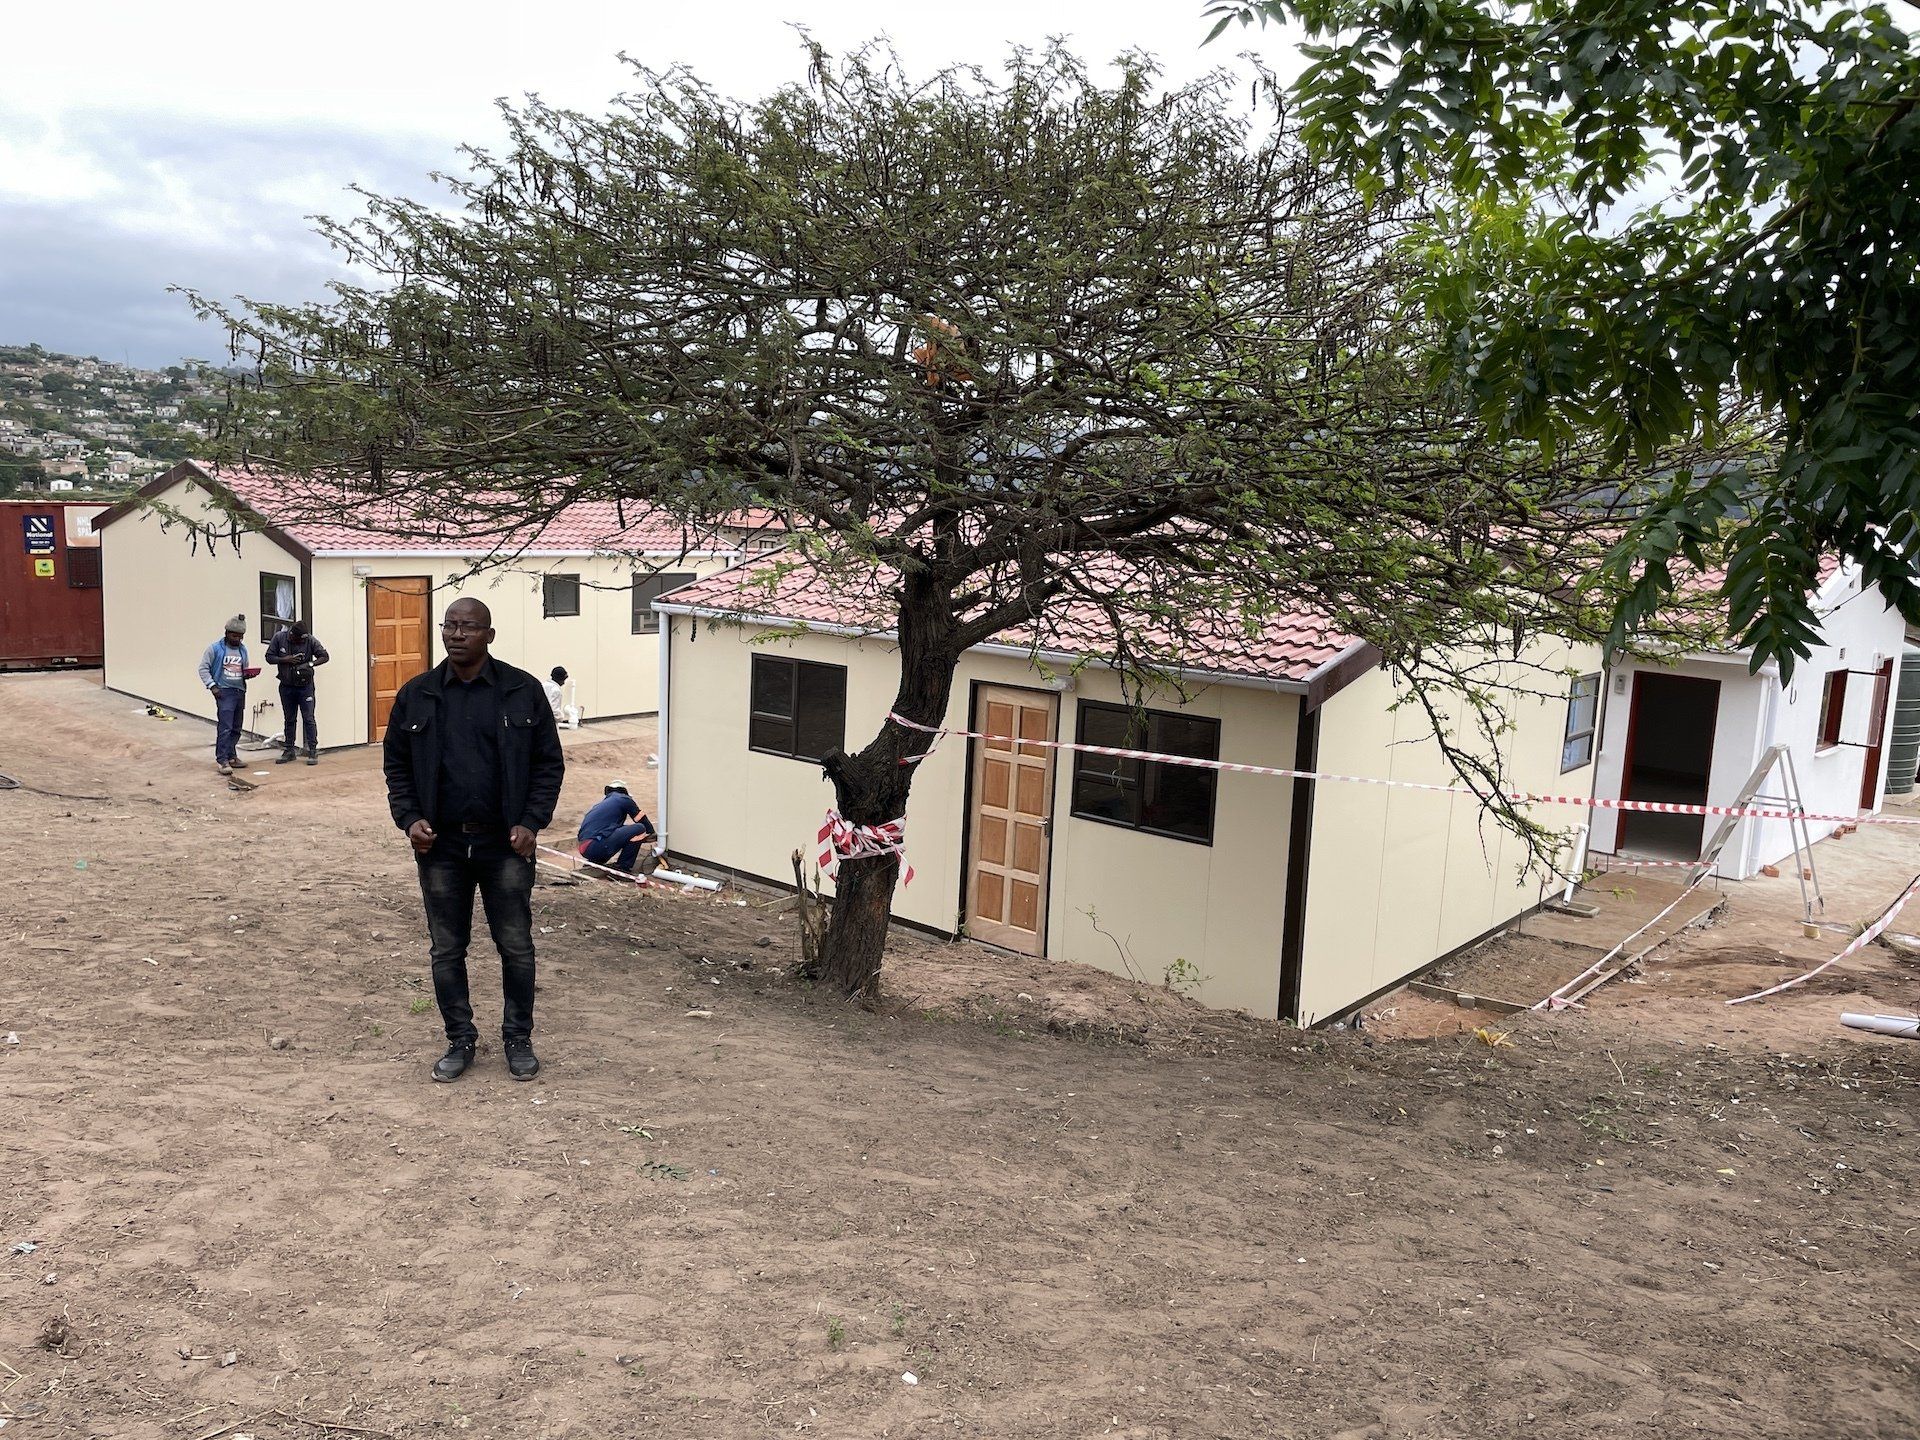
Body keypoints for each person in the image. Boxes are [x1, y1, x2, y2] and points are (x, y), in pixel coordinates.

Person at [382, 597, 565, 1083]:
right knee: (447, 949)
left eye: (468, 627)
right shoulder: (416, 695)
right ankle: (460, 1040)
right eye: (450, 625)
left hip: (505, 845)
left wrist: (532, 821)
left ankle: (518, 1040)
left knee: (516, 947)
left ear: (489, 634)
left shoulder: (522, 692)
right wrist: (409, 818)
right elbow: (397, 767)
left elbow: (549, 765)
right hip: (440, 847)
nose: (457, 634)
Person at [195, 615, 255, 776]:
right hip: (224, 691)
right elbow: (203, 669)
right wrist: (212, 686)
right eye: (234, 635)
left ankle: (232, 755)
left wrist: (247, 675)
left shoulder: (243, 649)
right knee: (225, 727)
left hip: (239, 690)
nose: (238, 639)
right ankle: (222, 760)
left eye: (240, 636)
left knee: (236, 727)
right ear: (227, 633)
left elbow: (244, 668)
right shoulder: (215, 649)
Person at [265, 620, 330, 765]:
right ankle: (289, 750)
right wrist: (285, 660)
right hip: (286, 685)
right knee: (289, 719)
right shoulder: (279, 638)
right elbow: (269, 657)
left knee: (308, 718)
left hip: (305, 686)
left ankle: (312, 750)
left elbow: (325, 656)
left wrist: (309, 664)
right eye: (298, 639)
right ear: (291, 635)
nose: (300, 641)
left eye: (302, 639)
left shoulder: (310, 640)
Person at [575, 781, 658, 876]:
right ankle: (623, 868)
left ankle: (594, 864)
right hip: (595, 845)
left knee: (622, 833)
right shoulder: (623, 798)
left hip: (585, 848)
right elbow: (639, 818)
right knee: (639, 829)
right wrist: (651, 832)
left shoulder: (600, 805)